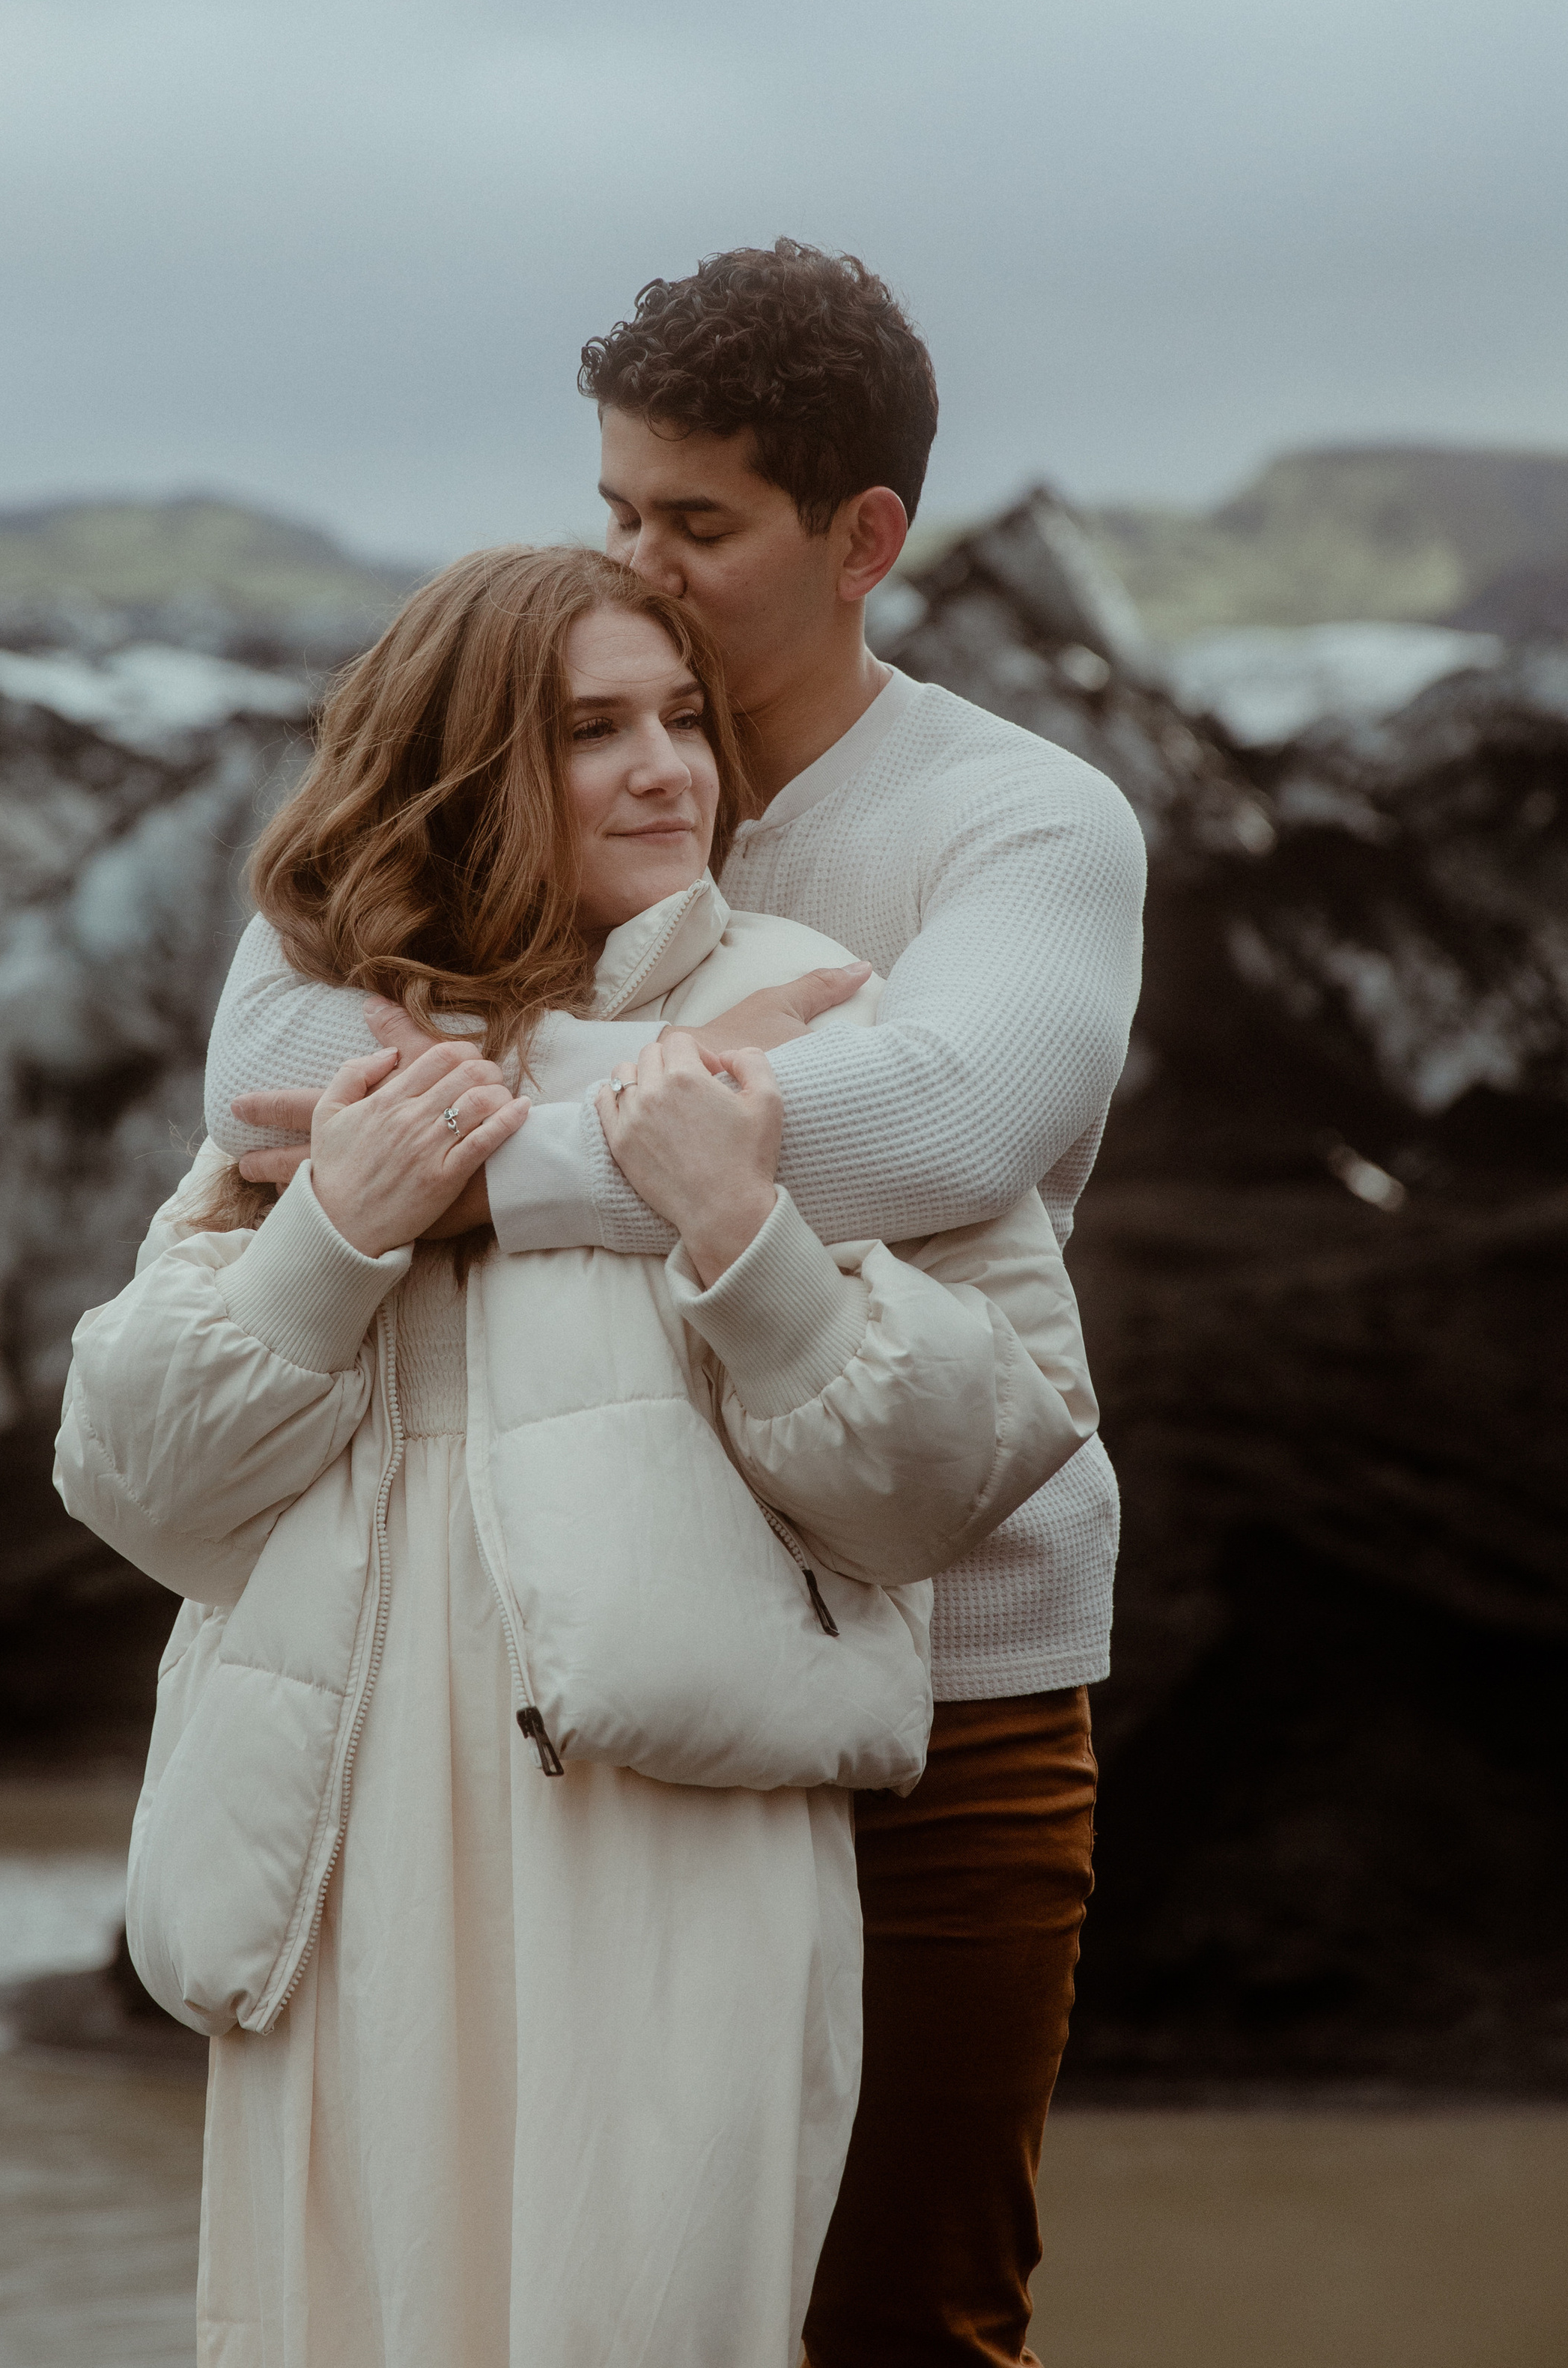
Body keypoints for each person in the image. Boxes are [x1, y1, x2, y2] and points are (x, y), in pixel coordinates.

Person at [208, 243, 1148, 2368]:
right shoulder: (518, 756)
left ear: (863, 542)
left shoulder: (1023, 821)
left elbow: (935, 1123)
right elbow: (256, 1093)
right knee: (581, 2312)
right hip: (580, 1676)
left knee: (907, 2318)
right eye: (619, 503)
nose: (629, 555)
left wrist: (446, 1164)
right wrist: (649, 1117)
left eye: (694, 527)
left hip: (961, 1680)